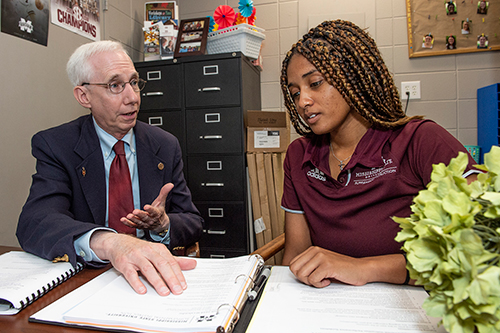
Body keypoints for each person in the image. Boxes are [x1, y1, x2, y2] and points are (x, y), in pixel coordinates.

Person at [279, 20, 479, 288]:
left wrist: (365, 268)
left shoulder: (420, 140)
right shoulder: (298, 155)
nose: (303, 101)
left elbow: (479, 245)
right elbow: (295, 256)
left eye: (315, 83)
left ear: (353, 76)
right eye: (294, 94)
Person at [17, 41, 204, 296]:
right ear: (84, 97)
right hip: (88, 281)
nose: (132, 97)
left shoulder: (164, 145)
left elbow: (193, 221)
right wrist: (110, 242)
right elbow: (35, 222)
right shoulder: (56, 146)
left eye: (134, 82)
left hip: (152, 280)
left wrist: (163, 225)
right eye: (115, 85)